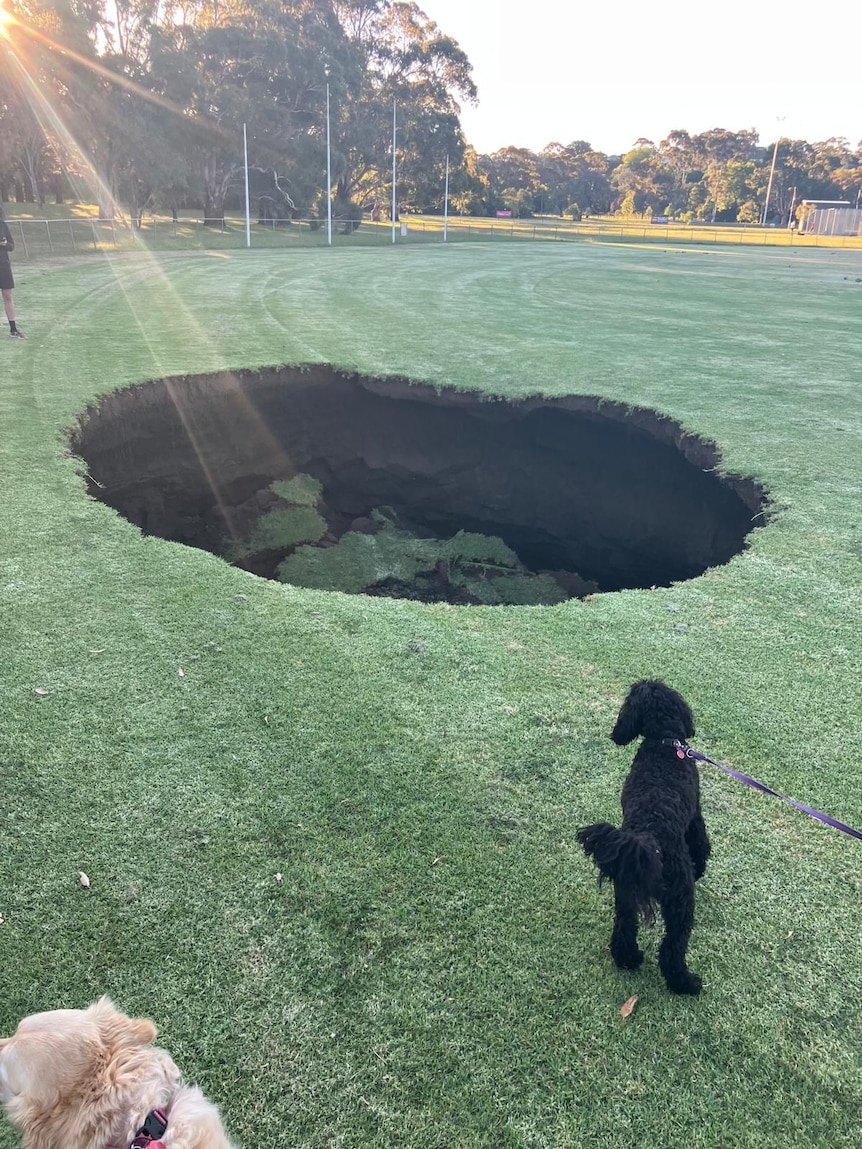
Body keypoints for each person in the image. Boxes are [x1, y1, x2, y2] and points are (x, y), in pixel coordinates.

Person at [0, 206, 25, 339]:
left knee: (8, 296)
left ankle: (13, 329)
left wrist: (5, 245)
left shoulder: (2, 225)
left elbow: (12, 245)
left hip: (3, 265)